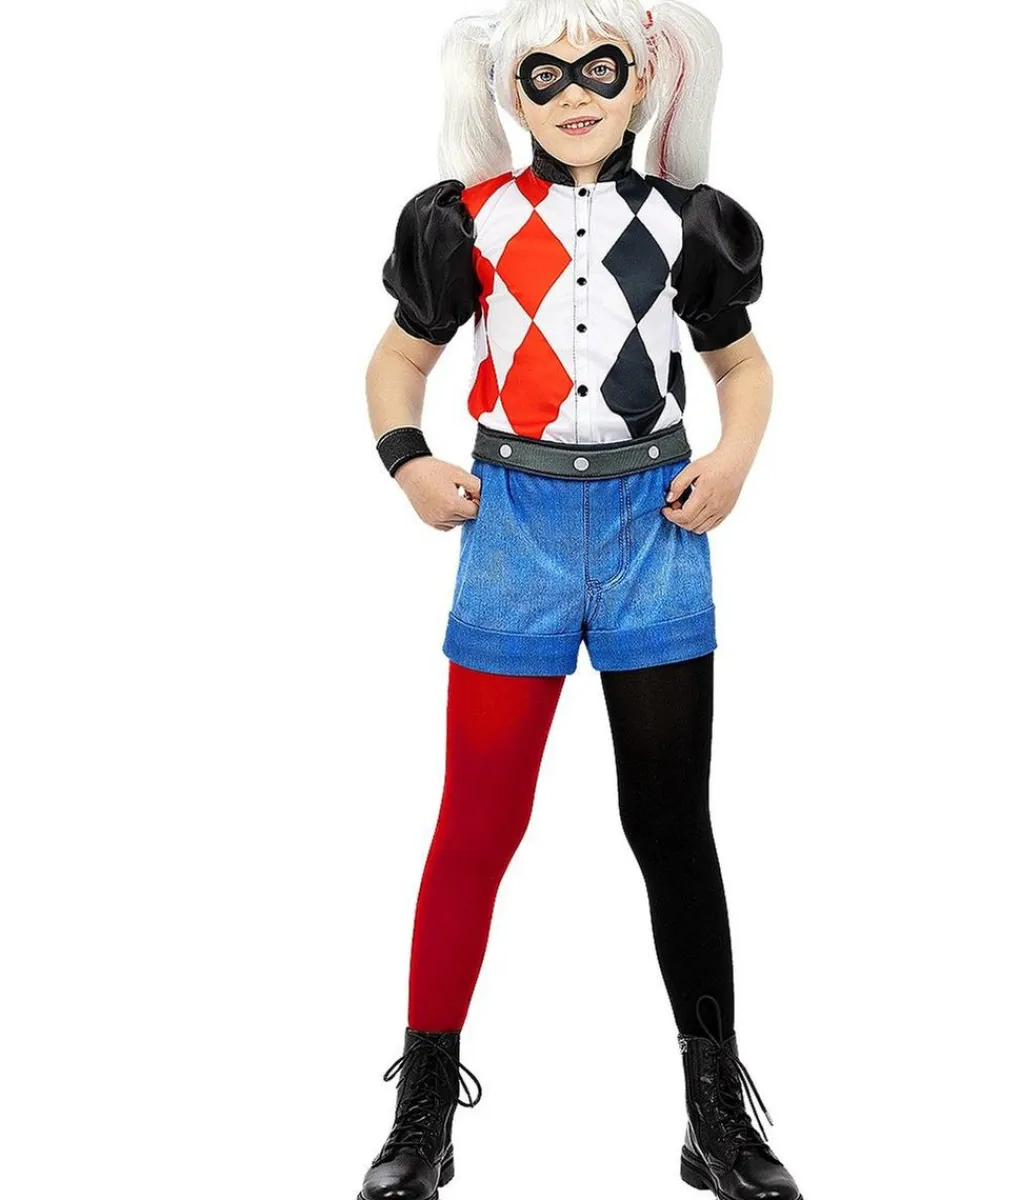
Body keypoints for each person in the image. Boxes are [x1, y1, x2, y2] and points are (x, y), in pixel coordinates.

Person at [359, 2, 802, 1198]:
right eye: (544, 74)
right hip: (516, 527)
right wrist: (407, 460)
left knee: (671, 824)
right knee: (477, 821)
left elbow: (740, 364)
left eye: (598, 69)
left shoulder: (687, 221)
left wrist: (733, 459)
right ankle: (421, 1109)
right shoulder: (468, 220)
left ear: (642, 78)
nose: (574, 95)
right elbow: (399, 359)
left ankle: (716, 1112)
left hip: (658, 526)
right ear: (510, 91)